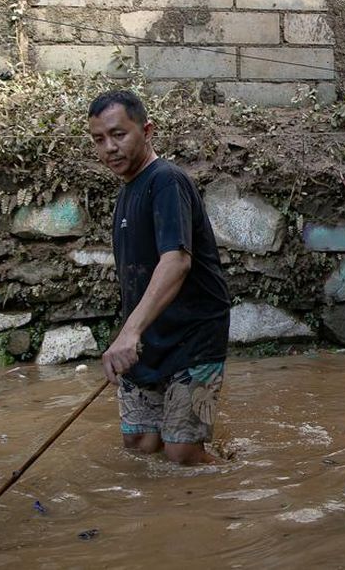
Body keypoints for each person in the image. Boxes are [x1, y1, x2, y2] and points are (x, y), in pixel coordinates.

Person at [87, 90, 231, 465]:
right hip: (148, 338)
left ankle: (239, 479)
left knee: (182, 452)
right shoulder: (126, 193)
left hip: (194, 337)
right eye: (99, 139)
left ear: (147, 130)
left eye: (119, 134)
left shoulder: (166, 181)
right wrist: (131, 334)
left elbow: (177, 261)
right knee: (140, 447)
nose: (109, 148)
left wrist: (129, 332)